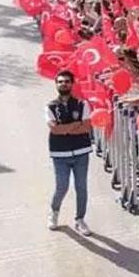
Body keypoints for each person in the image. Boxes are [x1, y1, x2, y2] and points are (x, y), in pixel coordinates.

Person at [45, 70, 93, 236]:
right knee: (62, 187)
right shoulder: (50, 106)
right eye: (60, 81)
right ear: (56, 84)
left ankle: (80, 219)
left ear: (72, 84)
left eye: (66, 81)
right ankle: (54, 212)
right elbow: (55, 130)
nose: (63, 84)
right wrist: (75, 125)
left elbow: (87, 127)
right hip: (60, 154)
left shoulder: (82, 104)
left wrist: (66, 128)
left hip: (81, 151)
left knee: (81, 187)